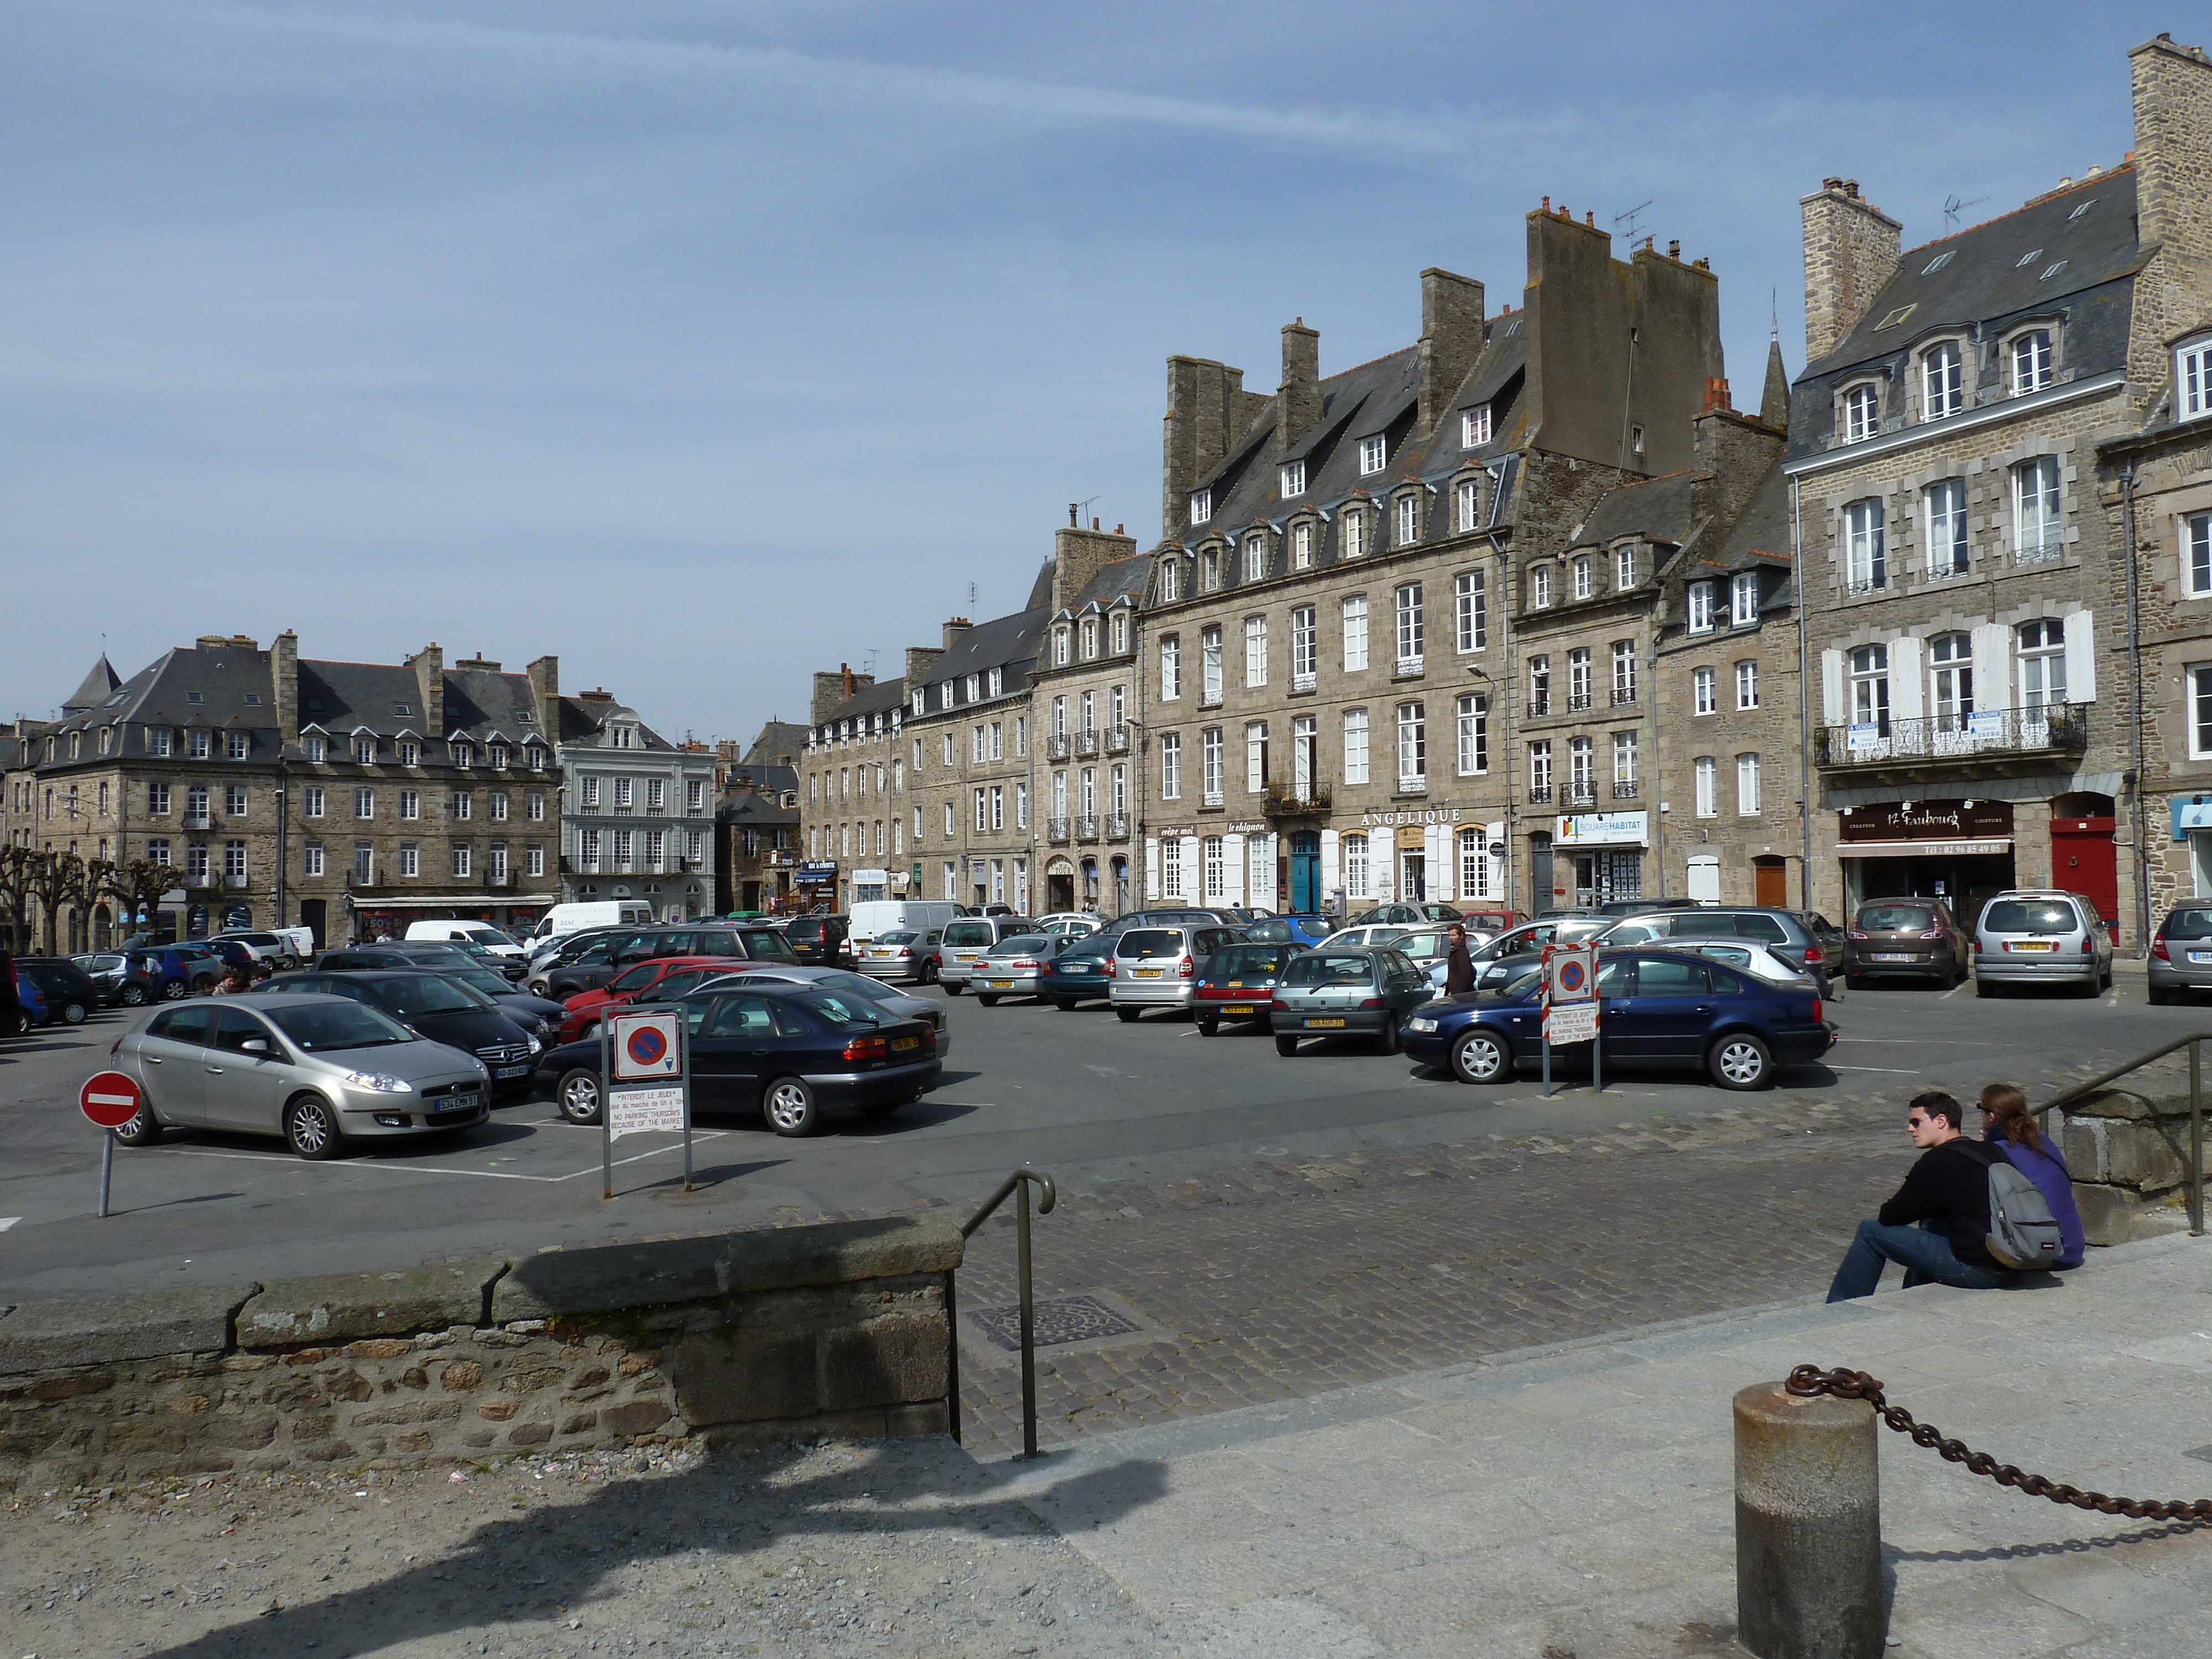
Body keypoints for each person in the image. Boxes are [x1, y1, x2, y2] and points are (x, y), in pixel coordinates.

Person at [1826, 1090, 2018, 1301]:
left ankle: (1840, 1307)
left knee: (1869, 1232)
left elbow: (1890, 1217)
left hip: (1979, 1270)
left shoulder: (1937, 1160)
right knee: (1933, 1222)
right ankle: (1912, 1293)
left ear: (1941, 1121)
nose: (1910, 1129)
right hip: (2012, 1262)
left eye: (1916, 1122)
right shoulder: (1991, 1151)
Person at [1981, 1082, 2086, 1269]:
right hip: (2073, 1246)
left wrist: (1986, 1144)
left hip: (2046, 1252)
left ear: (1992, 1116)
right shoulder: (2042, 1140)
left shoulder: (1999, 1150)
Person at [1444, 924, 1475, 995]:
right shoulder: (1454, 949)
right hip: (1454, 990)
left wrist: (1460, 993)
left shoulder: (1462, 951)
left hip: (1460, 992)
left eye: (1454, 935)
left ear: (1461, 936)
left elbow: (1466, 973)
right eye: (1450, 935)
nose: (1451, 938)